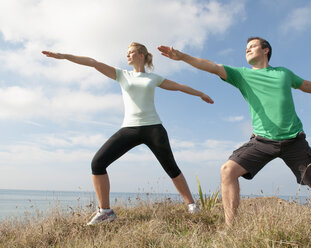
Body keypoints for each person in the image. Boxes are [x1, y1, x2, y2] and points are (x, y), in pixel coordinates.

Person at [158, 37, 311, 225]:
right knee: (228, 170)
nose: (247, 50)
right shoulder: (242, 75)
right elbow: (212, 66)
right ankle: (231, 229)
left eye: (252, 46)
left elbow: (306, 84)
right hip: (262, 141)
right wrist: (182, 57)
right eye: (246, 48)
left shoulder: (283, 73)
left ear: (265, 50)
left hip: (294, 140)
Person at [42, 42, 214, 225]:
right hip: (129, 128)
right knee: (98, 163)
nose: (127, 55)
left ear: (141, 55)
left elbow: (179, 86)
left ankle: (192, 206)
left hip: (154, 127)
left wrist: (200, 93)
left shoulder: (153, 78)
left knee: (171, 168)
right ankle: (105, 212)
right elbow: (93, 62)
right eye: (127, 53)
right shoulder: (122, 75)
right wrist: (63, 56)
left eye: (131, 52)